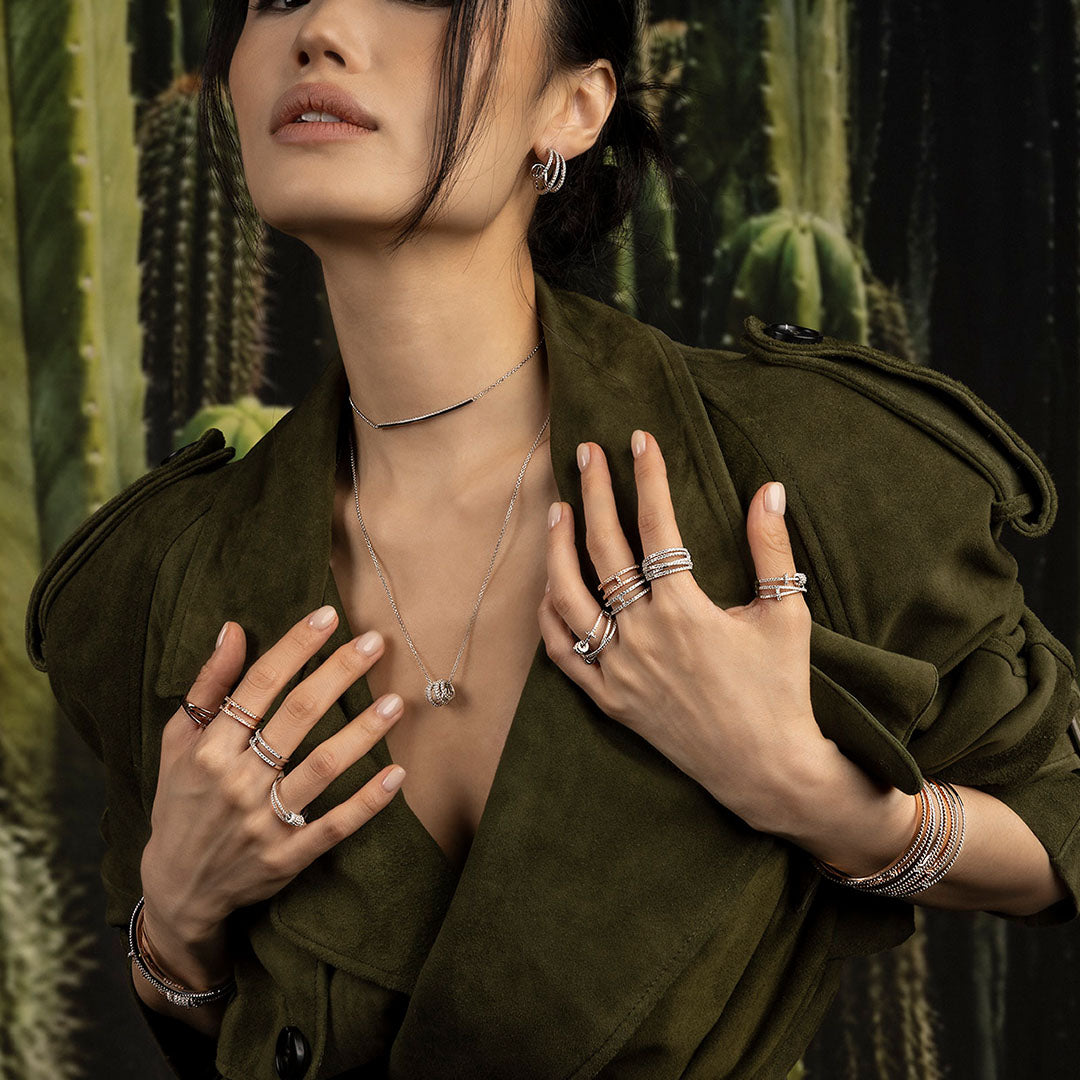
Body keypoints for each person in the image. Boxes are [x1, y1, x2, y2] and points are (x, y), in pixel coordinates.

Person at [24, 0, 1080, 1077]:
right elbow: (202, 1022)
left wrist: (812, 792)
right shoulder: (157, 580)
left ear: (575, 107)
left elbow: (1062, 823)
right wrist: (177, 919)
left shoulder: (804, 469)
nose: (322, 29)